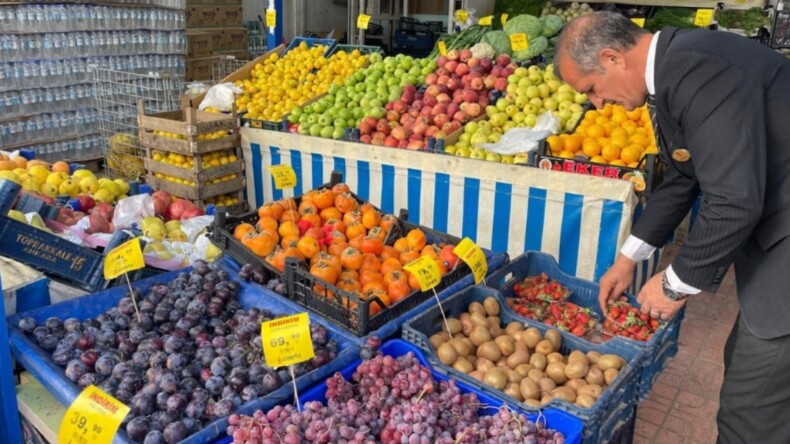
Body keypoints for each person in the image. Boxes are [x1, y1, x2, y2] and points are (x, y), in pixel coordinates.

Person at [555, 11, 790, 444]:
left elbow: (734, 200)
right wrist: (629, 258)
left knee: (749, 413)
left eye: (591, 89)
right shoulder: (673, 69)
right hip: (774, 239)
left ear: (611, 58)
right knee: (746, 368)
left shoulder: (694, 69)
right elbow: (686, 175)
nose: (597, 104)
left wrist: (675, 285)